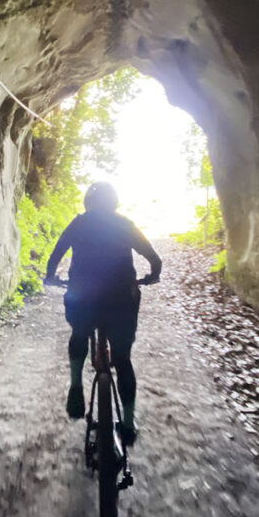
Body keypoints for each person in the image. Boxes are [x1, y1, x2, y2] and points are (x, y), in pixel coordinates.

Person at [44, 182, 162, 445]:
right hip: (122, 300)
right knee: (123, 360)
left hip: (83, 298)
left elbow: (55, 256)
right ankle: (128, 424)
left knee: (79, 332)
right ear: (114, 202)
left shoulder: (79, 224)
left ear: (88, 202)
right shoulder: (125, 224)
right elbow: (155, 259)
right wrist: (152, 275)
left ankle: (76, 384)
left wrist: (51, 277)